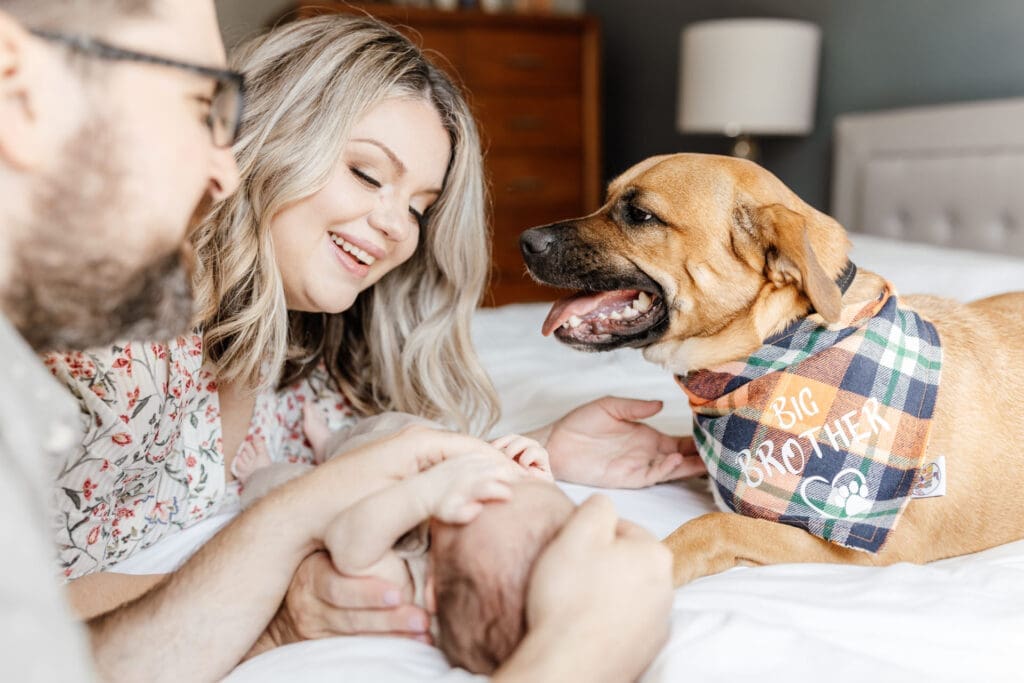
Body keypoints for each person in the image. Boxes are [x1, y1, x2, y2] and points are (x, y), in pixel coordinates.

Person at [0, 2, 674, 681]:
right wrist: (277, 596)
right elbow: (29, 620)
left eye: (419, 207)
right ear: (268, 136)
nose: (395, 228)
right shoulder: (108, 331)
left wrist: (531, 447)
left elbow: (373, 455)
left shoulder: (303, 353)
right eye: (366, 173)